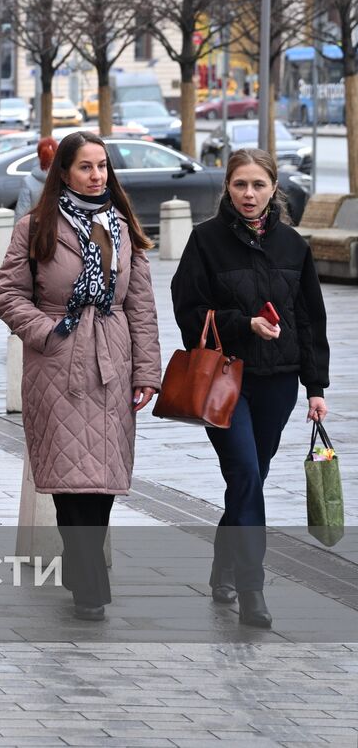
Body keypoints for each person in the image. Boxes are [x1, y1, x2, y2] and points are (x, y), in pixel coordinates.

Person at [0, 131, 161, 621]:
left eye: (103, 167)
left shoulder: (121, 226)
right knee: (70, 482)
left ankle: (80, 566)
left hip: (112, 361)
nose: (96, 176)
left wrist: (146, 370)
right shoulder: (36, 226)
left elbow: (141, 305)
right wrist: (47, 333)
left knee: (103, 481)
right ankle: (90, 583)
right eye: (86, 167)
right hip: (57, 365)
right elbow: (8, 295)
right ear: (63, 171)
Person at [170, 149, 329, 629]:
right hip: (224, 380)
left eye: (258, 185)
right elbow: (188, 313)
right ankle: (251, 589)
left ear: (272, 187)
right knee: (244, 473)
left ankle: (223, 564)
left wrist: (315, 387)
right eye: (240, 184)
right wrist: (244, 325)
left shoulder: (294, 246)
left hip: (278, 383)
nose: (249, 194)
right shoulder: (205, 241)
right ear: (227, 188)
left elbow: (309, 320)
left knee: (250, 480)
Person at [14, 136, 59, 220]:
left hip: (36, 229)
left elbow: (22, 211)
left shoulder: (28, 181)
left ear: (38, 153)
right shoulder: (65, 179)